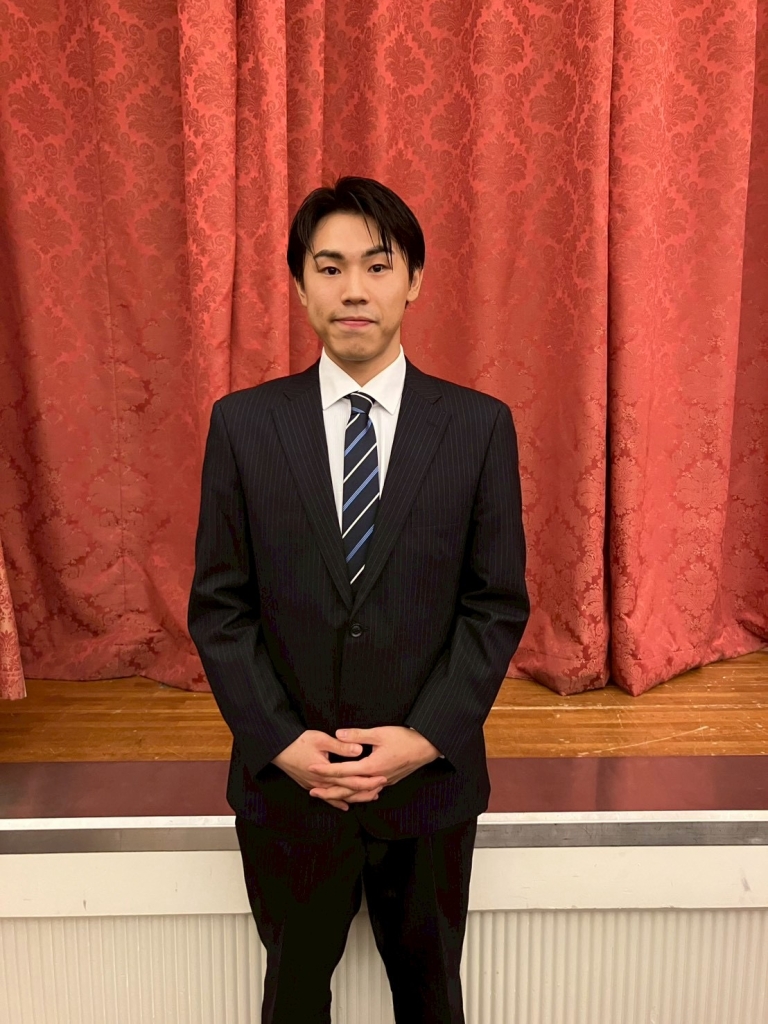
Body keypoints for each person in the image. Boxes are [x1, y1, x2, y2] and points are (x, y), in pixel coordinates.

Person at [187, 175, 529, 1024]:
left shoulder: (479, 427)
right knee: (293, 999)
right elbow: (220, 608)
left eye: (377, 266)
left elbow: (495, 606)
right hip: (289, 790)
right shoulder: (243, 426)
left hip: (429, 786)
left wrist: (424, 739)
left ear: (413, 280)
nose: (353, 290)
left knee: (432, 1001)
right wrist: (281, 744)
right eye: (329, 266)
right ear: (299, 284)